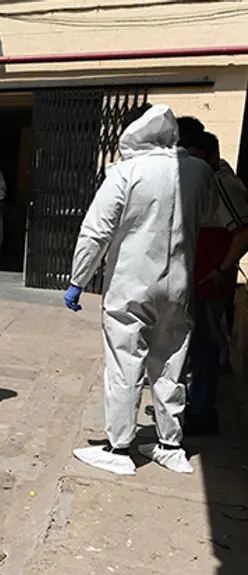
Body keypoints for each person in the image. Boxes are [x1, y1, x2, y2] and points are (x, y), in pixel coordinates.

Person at [64, 104, 235, 476]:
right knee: (172, 365)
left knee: (125, 362)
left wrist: (78, 280)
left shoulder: (125, 172)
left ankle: (118, 447)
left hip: (131, 284)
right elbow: (209, 213)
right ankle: (169, 445)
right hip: (180, 285)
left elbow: (96, 232)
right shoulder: (198, 171)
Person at [176, 130, 248, 436]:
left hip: (208, 279)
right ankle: (189, 404)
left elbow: (243, 233)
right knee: (191, 345)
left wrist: (220, 270)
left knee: (204, 347)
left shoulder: (221, 184)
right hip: (195, 277)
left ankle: (201, 411)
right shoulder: (200, 182)